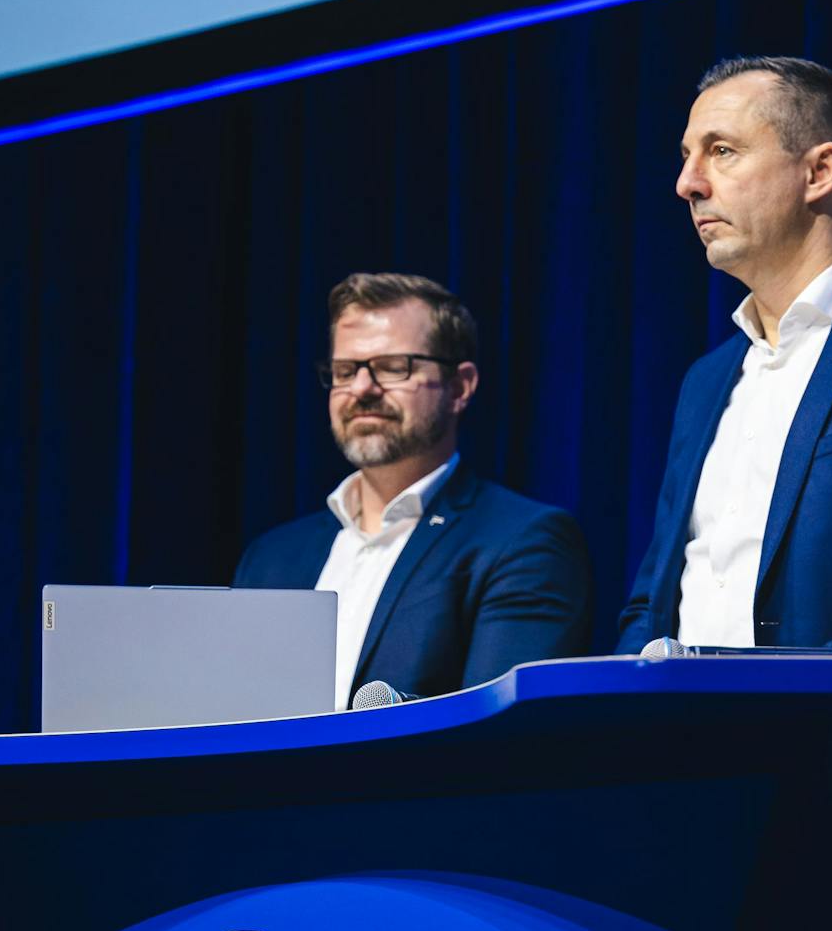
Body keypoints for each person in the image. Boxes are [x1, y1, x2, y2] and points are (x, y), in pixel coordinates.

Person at [616, 57, 832, 654]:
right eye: (686, 155)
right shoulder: (706, 380)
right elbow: (652, 601)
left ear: (820, 171)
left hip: (819, 731)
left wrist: (791, 706)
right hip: (673, 734)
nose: (688, 184)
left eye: (721, 151)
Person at [235, 273, 590, 707]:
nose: (362, 389)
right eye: (346, 371)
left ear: (460, 386)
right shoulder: (271, 558)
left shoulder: (524, 542)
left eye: (392, 367)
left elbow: (499, 744)